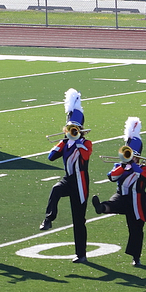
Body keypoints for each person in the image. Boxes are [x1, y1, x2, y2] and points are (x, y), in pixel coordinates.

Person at [40, 89, 92, 263]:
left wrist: (77, 142)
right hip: (68, 179)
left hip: (81, 182)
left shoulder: (86, 143)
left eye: (75, 129)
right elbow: (51, 157)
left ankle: (81, 254)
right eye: (70, 128)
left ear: (81, 130)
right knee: (56, 189)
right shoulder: (65, 143)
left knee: (79, 219)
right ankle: (49, 219)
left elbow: (85, 155)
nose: (72, 131)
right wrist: (62, 142)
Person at [92, 117, 146, 266]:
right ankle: (102, 207)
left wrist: (133, 165)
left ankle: (136, 257)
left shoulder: (144, 168)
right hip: (122, 196)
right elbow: (112, 177)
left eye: (133, 156)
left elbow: (143, 176)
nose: (129, 158)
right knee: (113, 203)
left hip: (137, 200)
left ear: (138, 157)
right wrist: (123, 166)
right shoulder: (119, 166)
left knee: (136, 230)